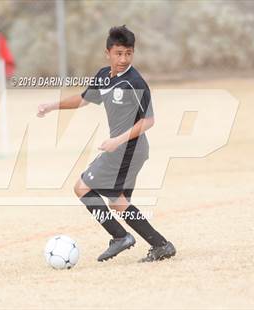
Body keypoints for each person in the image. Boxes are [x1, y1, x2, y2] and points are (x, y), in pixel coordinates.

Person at [37, 25, 176, 263]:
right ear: (108, 52)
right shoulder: (103, 75)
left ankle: (122, 237)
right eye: (119, 53)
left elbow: (149, 120)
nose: (123, 59)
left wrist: (117, 140)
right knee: (118, 202)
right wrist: (52, 106)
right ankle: (160, 245)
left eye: (128, 53)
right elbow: (83, 100)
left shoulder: (135, 82)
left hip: (128, 149)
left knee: (82, 187)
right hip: (123, 149)